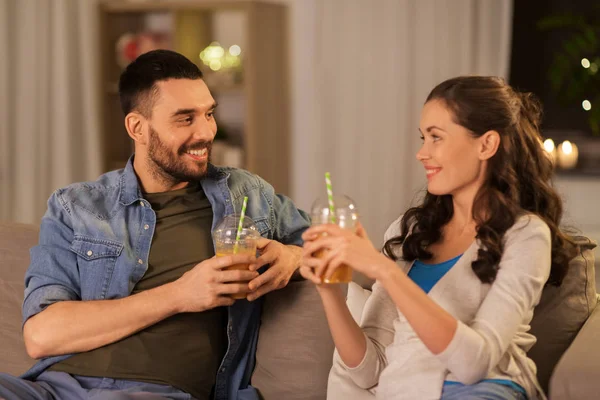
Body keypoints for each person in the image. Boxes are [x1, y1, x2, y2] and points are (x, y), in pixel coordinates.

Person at [0, 49, 310, 400]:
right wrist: (181, 294)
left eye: (209, 114)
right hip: (49, 389)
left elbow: (337, 249)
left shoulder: (246, 195)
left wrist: (292, 256)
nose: (207, 132)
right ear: (137, 127)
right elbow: (42, 336)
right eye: (185, 118)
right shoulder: (76, 206)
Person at [300, 76, 578, 400]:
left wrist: (383, 270)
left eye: (436, 138)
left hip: (485, 391)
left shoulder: (526, 236)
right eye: (423, 138)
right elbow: (367, 372)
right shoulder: (409, 234)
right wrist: (330, 293)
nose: (422, 153)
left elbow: (475, 364)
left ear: (486, 144)